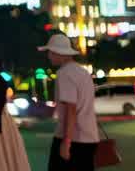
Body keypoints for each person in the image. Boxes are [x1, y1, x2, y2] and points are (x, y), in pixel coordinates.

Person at [40, 34, 99, 171]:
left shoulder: (64, 73)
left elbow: (70, 108)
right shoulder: (83, 72)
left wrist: (66, 142)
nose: (49, 56)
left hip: (73, 139)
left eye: (50, 52)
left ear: (59, 53)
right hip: (89, 138)